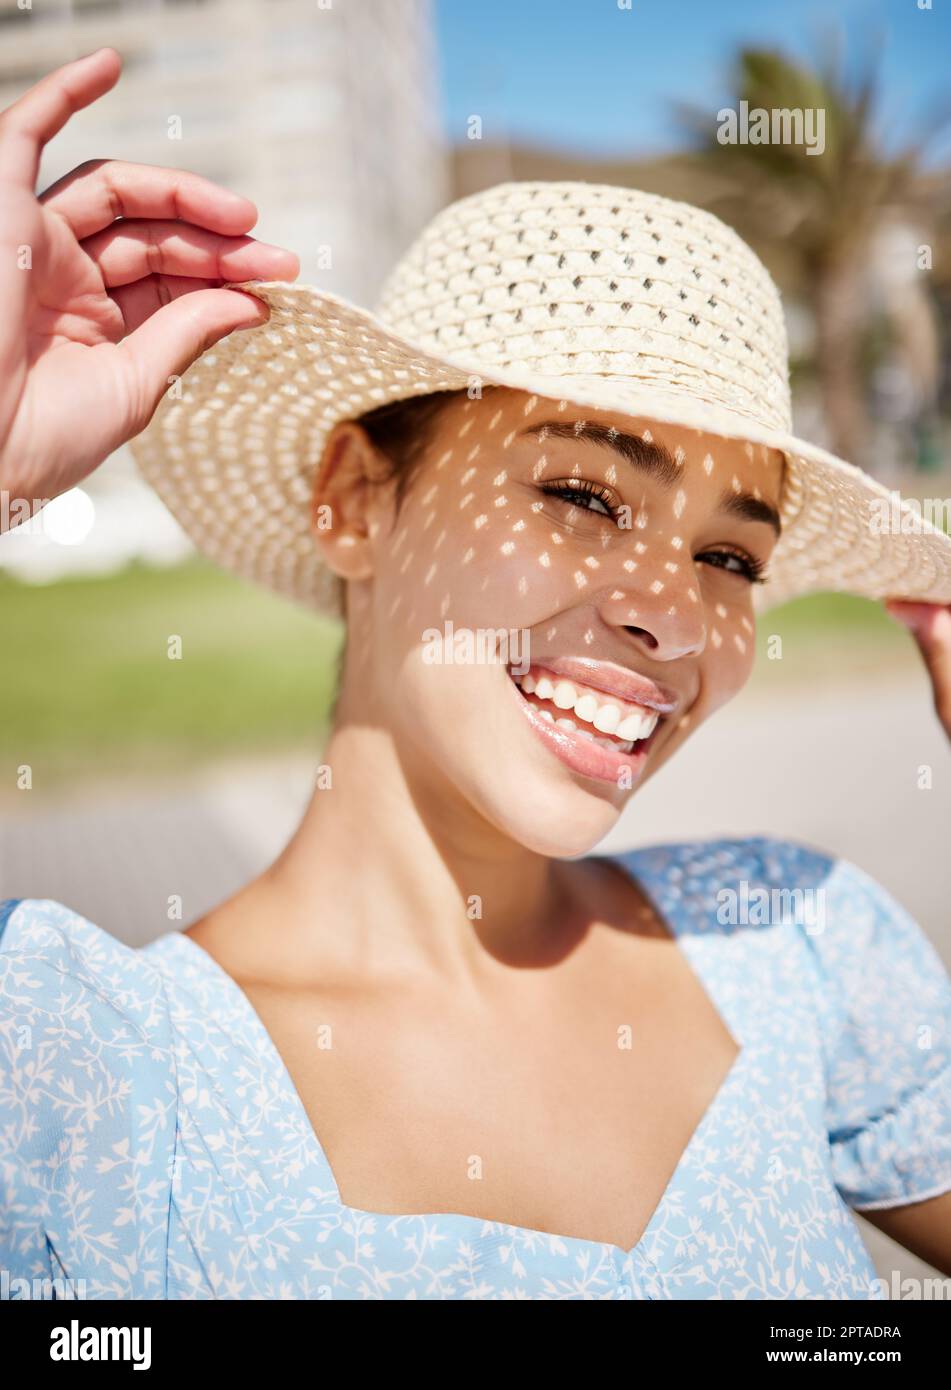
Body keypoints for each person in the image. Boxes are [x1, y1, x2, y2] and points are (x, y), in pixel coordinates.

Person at [1, 48, 949, 1302]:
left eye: (728, 553)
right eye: (580, 492)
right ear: (353, 500)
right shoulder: (79, 1067)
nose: (670, 614)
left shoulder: (799, 937)